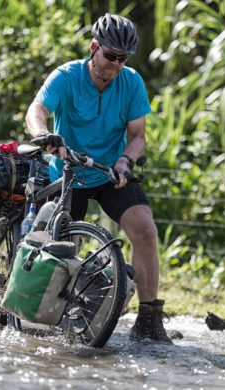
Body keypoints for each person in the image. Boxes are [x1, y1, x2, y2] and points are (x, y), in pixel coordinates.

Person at [25, 13, 172, 343]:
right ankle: (55, 315)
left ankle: (149, 321)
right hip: (68, 171)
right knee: (66, 246)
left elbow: (138, 135)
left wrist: (125, 160)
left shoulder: (131, 82)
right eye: (110, 56)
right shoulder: (67, 76)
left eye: (123, 59)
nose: (116, 65)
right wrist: (44, 134)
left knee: (145, 229)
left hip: (108, 172)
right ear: (94, 48)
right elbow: (36, 110)